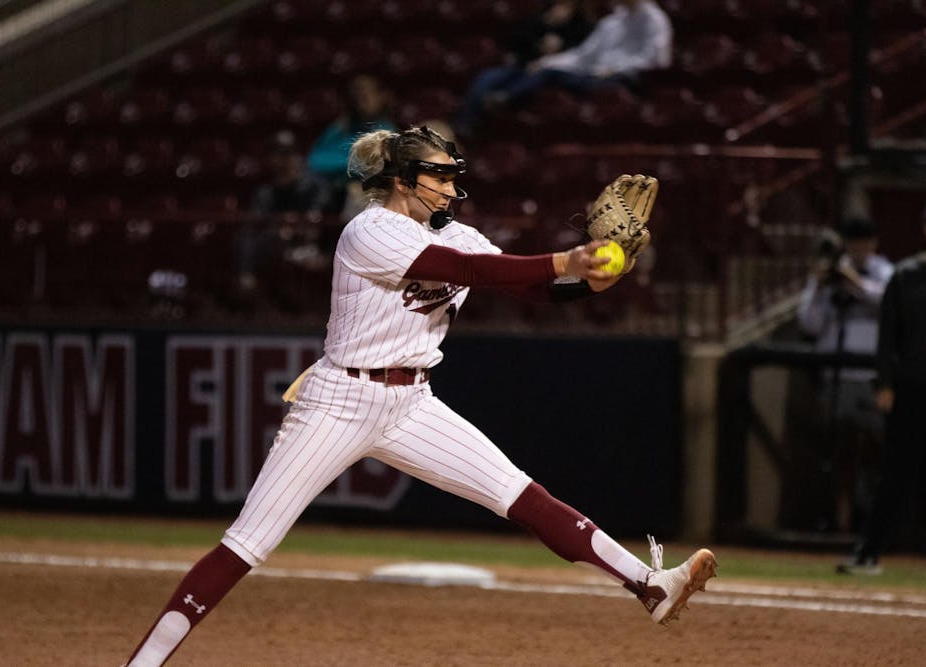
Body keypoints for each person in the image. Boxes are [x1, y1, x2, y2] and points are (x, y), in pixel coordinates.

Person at [124, 126, 716, 665]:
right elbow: (472, 272)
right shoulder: (370, 229)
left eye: (453, 173)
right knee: (246, 545)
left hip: (411, 403)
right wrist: (569, 257)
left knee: (521, 495)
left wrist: (593, 278)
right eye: (439, 173)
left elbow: (538, 289)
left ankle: (649, 586)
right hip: (339, 400)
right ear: (402, 179)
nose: (450, 184)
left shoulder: (459, 232)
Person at [838, 198, 926, 577]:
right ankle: (869, 553)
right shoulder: (906, 276)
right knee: (896, 473)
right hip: (911, 386)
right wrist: (884, 382)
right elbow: (888, 336)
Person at [796, 217, 894, 532]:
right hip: (836, 377)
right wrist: (820, 284)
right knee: (839, 452)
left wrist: (855, 281)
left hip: (872, 378)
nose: (859, 248)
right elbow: (809, 323)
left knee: (876, 451)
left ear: (874, 243)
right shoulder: (833, 273)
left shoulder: (884, 271)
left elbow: (889, 303)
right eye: (853, 242)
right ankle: (839, 520)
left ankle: (877, 522)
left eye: (865, 242)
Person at [457, 0, 672, 128]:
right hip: (594, 75)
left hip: (626, 79)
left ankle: (506, 98)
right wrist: (546, 61)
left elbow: (657, 59)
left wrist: (618, 69)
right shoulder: (612, 21)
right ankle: (484, 110)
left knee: (551, 74)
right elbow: (584, 55)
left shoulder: (654, 19)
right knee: (548, 71)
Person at [454, 0, 596, 132]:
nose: (562, 10)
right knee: (486, 77)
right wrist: (543, 34)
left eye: (568, 7)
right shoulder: (536, 20)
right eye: (560, 5)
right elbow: (517, 41)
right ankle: (465, 121)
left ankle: (503, 97)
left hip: (551, 71)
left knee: (538, 77)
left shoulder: (581, 27)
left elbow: (581, 54)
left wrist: (560, 47)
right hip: (522, 65)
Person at [234, 129, 331, 298]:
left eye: (289, 154)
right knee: (246, 240)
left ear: (299, 157)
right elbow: (254, 227)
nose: (284, 161)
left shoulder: (315, 187)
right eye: (278, 155)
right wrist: (280, 226)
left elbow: (319, 218)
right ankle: (247, 283)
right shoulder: (265, 192)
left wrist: (301, 223)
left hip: (309, 243)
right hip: (276, 245)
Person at [306, 74, 396, 213]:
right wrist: (353, 164)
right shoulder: (340, 127)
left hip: (363, 191)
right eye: (356, 96)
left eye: (365, 95)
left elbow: (377, 166)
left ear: (381, 96)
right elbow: (315, 161)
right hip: (331, 188)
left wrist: (345, 164)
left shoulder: (386, 129)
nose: (360, 102)